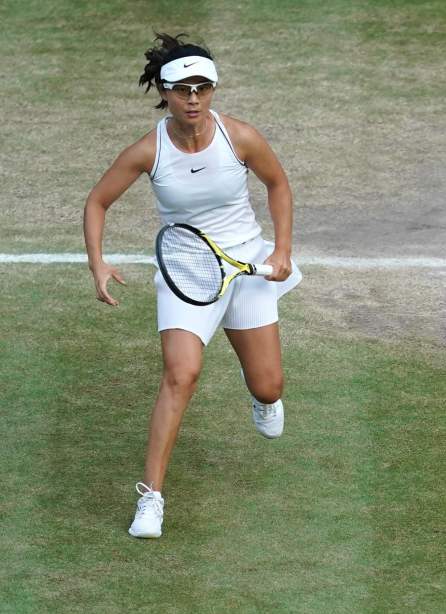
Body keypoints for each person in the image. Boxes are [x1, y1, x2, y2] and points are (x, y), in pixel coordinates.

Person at [84, 32, 302, 539]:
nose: (194, 99)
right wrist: (97, 263)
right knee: (181, 375)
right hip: (184, 271)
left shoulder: (240, 137)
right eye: (184, 90)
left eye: (203, 88)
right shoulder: (147, 151)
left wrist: (282, 249)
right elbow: (97, 201)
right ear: (164, 90)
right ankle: (151, 498)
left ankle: (265, 398)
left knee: (268, 384)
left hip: (245, 262)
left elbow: (279, 184)